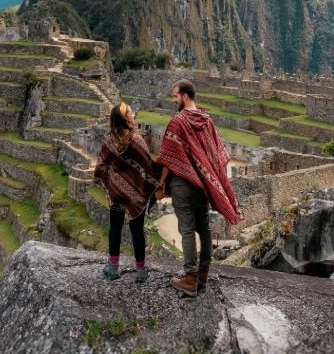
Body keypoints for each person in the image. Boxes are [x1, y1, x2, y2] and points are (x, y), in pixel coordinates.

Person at [155, 78, 241, 297]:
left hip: (182, 185)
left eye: (175, 96)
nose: (174, 100)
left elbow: (167, 157)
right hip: (202, 185)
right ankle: (203, 275)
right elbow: (219, 155)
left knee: (186, 230)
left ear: (185, 96)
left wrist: (161, 181)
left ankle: (190, 278)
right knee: (204, 229)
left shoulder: (178, 122)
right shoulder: (207, 121)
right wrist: (208, 176)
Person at [94, 101, 159, 281]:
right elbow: (148, 166)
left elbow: (102, 164)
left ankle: (113, 268)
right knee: (137, 230)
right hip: (135, 194)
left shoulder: (108, 140)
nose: (133, 114)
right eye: (130, 112)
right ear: (125, 118)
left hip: (116, 192)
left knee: (114, 227)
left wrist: (111, 180)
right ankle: (140, 271)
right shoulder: (136, 140)